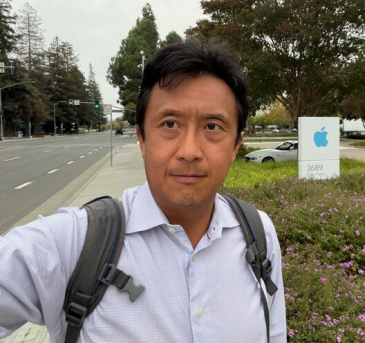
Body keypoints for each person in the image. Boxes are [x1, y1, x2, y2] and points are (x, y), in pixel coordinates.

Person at [0, 39, 287, 342]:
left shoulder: (259, 234)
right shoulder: (74, 244)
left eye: (212, 126)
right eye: (170, 124)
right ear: (142, 139)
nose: (190, 151)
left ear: (236, 145)